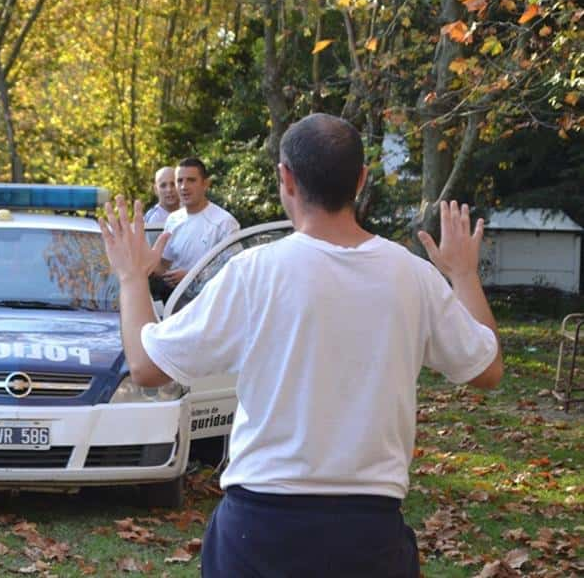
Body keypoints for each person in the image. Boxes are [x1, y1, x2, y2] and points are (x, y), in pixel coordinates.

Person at [99, 113, 502, 578]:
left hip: (260, 530)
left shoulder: (254, 273)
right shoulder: (412, 275)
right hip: (369, 534)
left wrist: (132, 278)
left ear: (285, 178)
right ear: (361, 180)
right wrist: (465, 275)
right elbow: (486, 369)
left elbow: (148, 368)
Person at [154, 157, 239, 289]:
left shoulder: (224, 222)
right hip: (178, 306)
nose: (184, 187)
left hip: (213, 304)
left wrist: (193, 277)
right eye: (179, 181)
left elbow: (235, 270)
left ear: (205, 184)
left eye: (191, 180)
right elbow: (163, 265)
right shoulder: (173, 219)